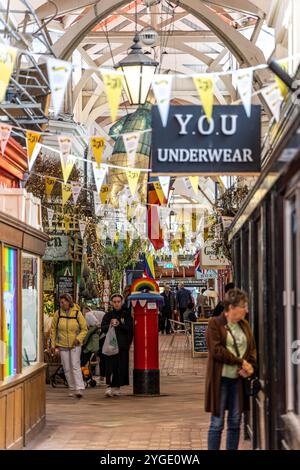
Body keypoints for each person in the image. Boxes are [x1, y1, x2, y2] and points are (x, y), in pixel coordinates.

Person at [205, 288, 257, 450]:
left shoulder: (244, 325)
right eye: (243, 306)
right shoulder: (215, 323)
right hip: (220, 379)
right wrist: (241, 362)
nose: (246, 309)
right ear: (232, 308)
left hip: (238, 380)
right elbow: (217, 350)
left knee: (235, 422)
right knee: (217, 423)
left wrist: (250, 366)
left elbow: (252, 349)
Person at [50, 293, 88, 399]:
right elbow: (53, 330)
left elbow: (85, 328)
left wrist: (78, 338)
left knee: (75, 365)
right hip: (62, 344)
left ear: (68, 301)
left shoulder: (77, 313)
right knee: (66, 367)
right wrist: (53, 344)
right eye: (60, 302)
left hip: (75, 344)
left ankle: (79, 388)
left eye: (63, 302)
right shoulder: (58, 314)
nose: (61, 304)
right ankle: (71, 387)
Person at [101, 293, 134, 397]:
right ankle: (109, 386)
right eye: (114, 302)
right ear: (111, 303)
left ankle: (117, 386)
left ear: (122, 302)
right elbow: (103, 327)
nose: (116, 304)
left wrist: (119, 324)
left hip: (122, 345)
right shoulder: (108, 315)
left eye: (118, 302)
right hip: (111, 345)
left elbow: (130, 329)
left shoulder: (126, 314)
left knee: (121, 367)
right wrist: (110, 324)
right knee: (111, 366)